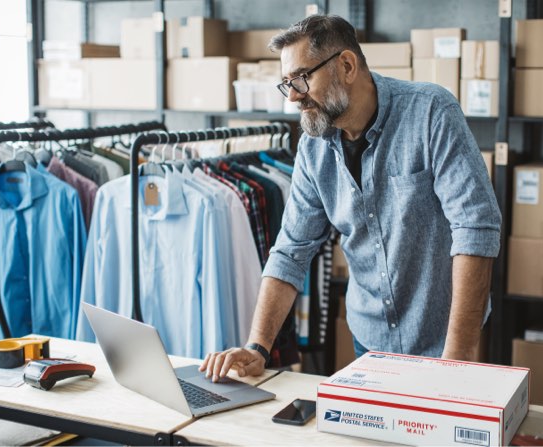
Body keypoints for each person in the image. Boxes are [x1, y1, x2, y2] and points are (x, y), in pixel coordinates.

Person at [200, 14, 501, 381]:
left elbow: (476, 227)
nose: (293, 96)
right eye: (286, 84)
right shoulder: (313, 148)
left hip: (445, 342)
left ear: (346, 65)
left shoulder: (431, 113)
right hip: (369, 342)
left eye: (301, 78)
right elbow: (292, 250)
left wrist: (457, 359)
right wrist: (257, 347)